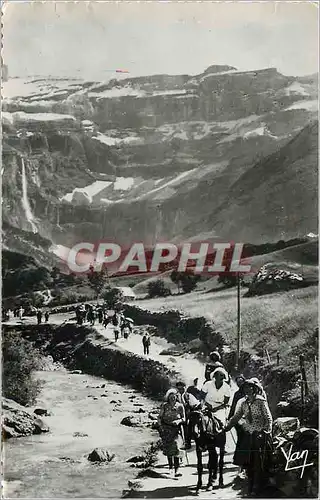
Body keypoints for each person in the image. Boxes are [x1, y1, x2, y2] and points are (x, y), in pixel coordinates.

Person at [225, 378, 273, 496]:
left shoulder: (260, 401)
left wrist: (266, 431)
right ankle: (250, 485)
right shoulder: (244, 403)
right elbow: (236, 417)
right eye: (245, 388)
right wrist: (227, 427)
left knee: (258, 461)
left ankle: (257, 487)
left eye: (249, 387)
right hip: (249, 434)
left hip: (260, 435)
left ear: (254, 388)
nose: (247, 390)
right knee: (248, 461)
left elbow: (268, 418)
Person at [158, 388, 185, 478]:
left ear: (176, 397)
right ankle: (170, 468)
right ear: (168, 398)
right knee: (169, 449)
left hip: (176, 429)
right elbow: (160, 417)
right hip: (166, 429)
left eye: (174, 397)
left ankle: (177, 470)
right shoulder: (164, 406)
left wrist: (178, 421)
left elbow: (184, 418)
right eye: (171, 397)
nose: (172, 399)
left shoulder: (180, 406)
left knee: (176, 447)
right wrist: (160, 427)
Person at [228, 374, 246, 479]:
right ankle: (239, 460)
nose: (240, 384)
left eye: (241, 382)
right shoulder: (236, 394)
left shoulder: (249, 392)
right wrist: (230, 417)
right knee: (240, 439)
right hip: (239, 420)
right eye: (238, 382)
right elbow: (234, 405)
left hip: (249, 420)